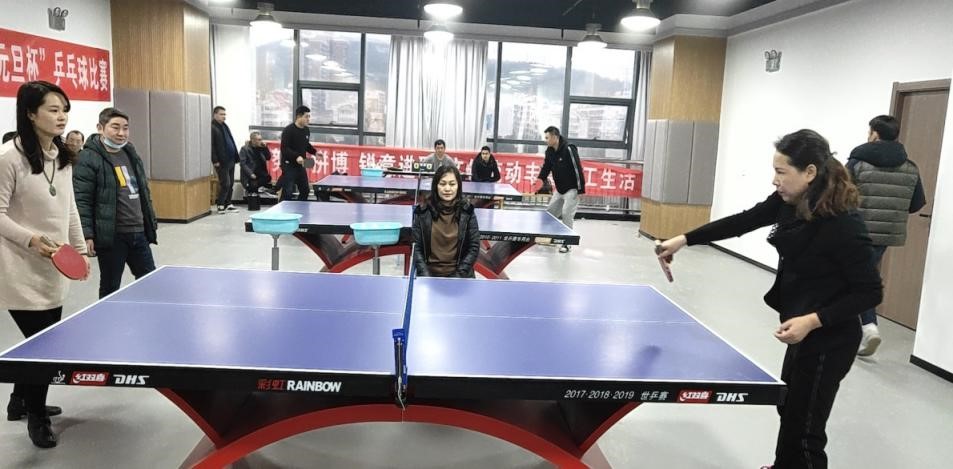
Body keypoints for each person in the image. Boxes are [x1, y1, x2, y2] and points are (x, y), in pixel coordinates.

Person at [657, 129, 882, 469]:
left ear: (809, 172)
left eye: (781, 172)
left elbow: (870, 292)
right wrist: (685, 239)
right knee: (788, 408)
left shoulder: (844, 224)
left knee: (806, 430)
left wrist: (813, 321)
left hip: (830, 338)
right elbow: (744, 221)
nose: (775, 180)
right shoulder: (789, 203)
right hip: (801, 330)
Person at [0, 81, 90, 448]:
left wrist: (79, 250)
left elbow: (69, 208)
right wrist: (31, 239)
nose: (61, 116)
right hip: (19, 267)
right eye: (53, 109)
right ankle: (37, 416)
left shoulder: (62, 157)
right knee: (45, 349)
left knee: (37, 344)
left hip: (53, 266)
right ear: (30, 114)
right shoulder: (9, 158)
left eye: (64, 109)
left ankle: (19, 401)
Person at [846, 115, 926, 356]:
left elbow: (839, 194)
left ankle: (867, 327)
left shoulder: (857, 162)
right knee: (863, 275)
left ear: (874, 133)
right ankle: (864, 326)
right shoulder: (910, 167)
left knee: (854, 277)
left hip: (857, 230)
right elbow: (916, 204)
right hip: (886, 234)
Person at [74, 107, 158, 299]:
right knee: (111, 286)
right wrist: (87, 234)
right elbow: (82, 199)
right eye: (115, 127)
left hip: (138, 231)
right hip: (112, 235)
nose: (121, 133)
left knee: (150, 280)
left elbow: (142, 190)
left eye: (125, 128)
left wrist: (149, 221)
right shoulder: (88, 157)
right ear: (100, 128)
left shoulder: (130, 151)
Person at [412, 165, 480, 278]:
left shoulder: (467, 212)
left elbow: (474, 247)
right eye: (442, 184)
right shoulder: (423, 212)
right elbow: (416, 247)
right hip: (429, 276)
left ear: (458, 186)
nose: (447, 189)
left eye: (452, 184)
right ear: (436, 186)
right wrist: (426, 276)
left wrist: (456, 278)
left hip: (460, 277)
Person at [536, 126, 585, 253]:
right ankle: (551, 238)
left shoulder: (569, 148)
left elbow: (577, 169)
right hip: (559, 189)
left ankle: (567, 243)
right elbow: (546, 167)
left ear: (554, 137)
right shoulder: (549, 151)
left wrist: (581, 189)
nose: (546, 140)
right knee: (550, 213)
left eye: (547, 138)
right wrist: (540, 179)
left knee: (567, 214)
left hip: (572, 189)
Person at [279, 105, 317, 201]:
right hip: (288, 165)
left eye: (309, 117)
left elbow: (306, 144)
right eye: (306, 116)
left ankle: (299, 208)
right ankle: (282, 209)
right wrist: (296, 156)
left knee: (305, 190)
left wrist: (315, 152)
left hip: (301, 164)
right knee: (288, 192)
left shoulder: (306, 130)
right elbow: (284, 149)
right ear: (299, 116)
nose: (308, 119)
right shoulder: (288, 130)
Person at [211, 106, 240, 214]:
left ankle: (228, 203)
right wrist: (215, 160)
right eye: (221, 114)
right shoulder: (213, 127)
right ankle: (220, 204)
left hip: (230, 159)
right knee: (225, 183)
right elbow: (212, 146)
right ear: (215, 114)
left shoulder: (224, 126)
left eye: (224, 114)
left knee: (231, 183)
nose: (224, 116)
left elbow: (230, 141)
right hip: (221, 161)